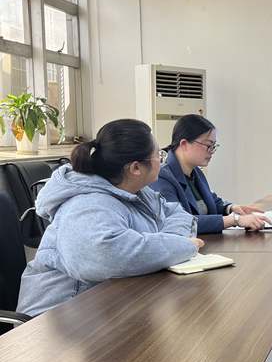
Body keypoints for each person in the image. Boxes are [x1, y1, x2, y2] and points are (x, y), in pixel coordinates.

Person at [17, 119, 202, 316]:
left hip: (107, 307)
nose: (162, 160)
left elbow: (177, 213)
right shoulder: (87, 205)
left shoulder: (139, 192)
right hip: (56, 317)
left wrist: (172, 243)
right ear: (135, 168)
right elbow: (104, 255)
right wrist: (181, 246)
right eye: (158, 155)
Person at [151, 115, 270, 233]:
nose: (211, 151)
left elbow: (211, 202)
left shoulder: (195, 171)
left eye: (213, 146)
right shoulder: (161, 177)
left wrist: (231, 208)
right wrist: (235, 220)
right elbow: (179, 222)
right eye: (208, 145)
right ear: (184, 144)